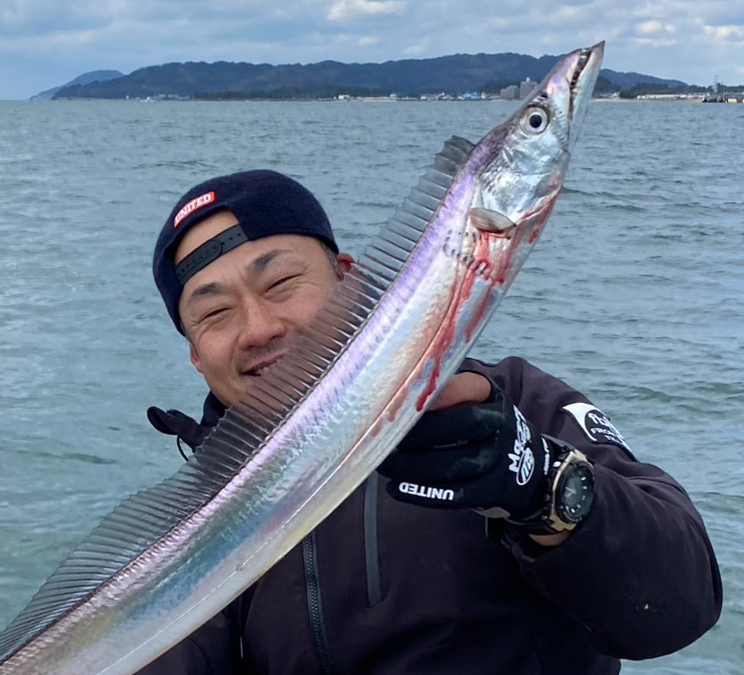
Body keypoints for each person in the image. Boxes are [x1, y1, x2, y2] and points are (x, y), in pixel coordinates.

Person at [140, 169, 722, 675]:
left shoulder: (503, 401)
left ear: (350, 279)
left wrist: (538, 484)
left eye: (281, 283)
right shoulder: (199, 514)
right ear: (196, 354)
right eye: (214, 313)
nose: (258, 327)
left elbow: (681, 605)